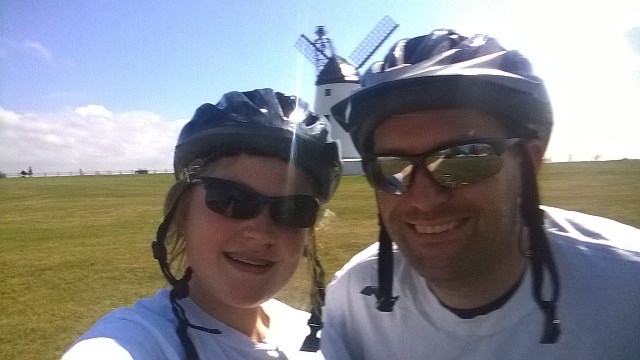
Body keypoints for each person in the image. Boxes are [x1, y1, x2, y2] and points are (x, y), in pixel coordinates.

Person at [321, 29, 640, 359]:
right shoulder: (352, 301)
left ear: (529, 163)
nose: (424, 200)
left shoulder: (631, 288)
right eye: (391, 167)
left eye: (464, 158)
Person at [62, 88, 342, 359]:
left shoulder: (321, 337)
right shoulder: (136, 341)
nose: (260, 234)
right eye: (231, 199)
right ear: (183, 214)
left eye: (293, 210)